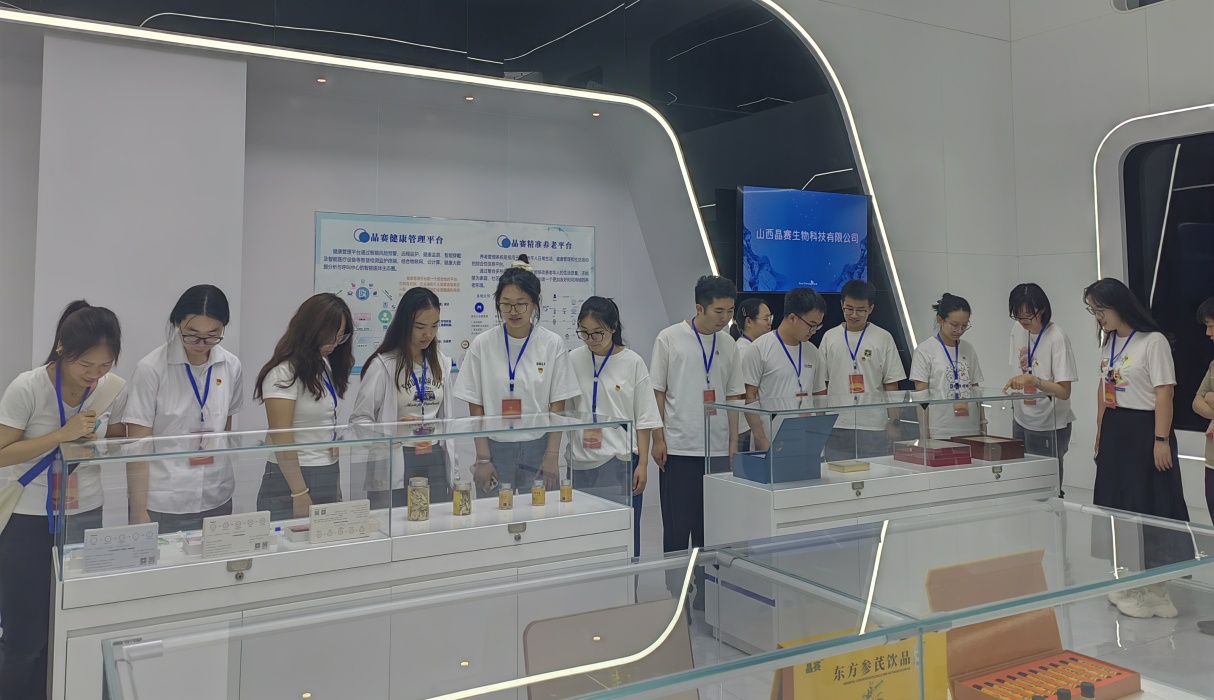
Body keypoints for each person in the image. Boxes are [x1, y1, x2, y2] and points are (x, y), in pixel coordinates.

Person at [0, 301, 123, 700]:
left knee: (70, 629)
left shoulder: (110, 388)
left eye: (104, 365)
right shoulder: (28, 387)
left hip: (84, 513)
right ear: (61, 349)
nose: (94, 374)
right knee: (25, 639)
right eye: (85, 364)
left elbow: (116, 438)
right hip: (29, 518)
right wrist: (61, 435)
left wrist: (95, 446)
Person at [1086, 278, 1189, 618]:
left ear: (1120, 305)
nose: (1098, 316)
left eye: (1101, 310)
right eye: (1093, 310)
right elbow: (1104, 387)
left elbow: (1165, 393)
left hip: (1145, 429)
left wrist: (1161, 440)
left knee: (1150, 503)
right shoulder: (1109, 341)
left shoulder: (1152, 341)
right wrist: (1100, 429)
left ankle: (1158, 589)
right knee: (1121, 504)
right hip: (1116, 429)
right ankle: (1135, 579)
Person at [117, 285, 244, 532]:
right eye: (192, 335)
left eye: (212, 335)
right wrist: (138, 511)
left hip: (216, 493)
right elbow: (137, 446)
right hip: (165, 500)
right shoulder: (151, 369)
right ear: (178, 324)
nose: (201, 343)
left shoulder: (231, 365)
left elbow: (225, 427)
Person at [650, 275, 744, 603]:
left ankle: (708, 596)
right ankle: (677, 597)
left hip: (716, 451)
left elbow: (734, 395)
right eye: (718, 311)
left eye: (730, 311)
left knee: (712, 530)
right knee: (678, 530)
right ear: (699, 307)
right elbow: (657, 393)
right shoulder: (669, 339)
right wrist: (658, 439)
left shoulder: (729, 344)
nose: (725, 318)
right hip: (679, 449)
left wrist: (733, 442)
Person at [454, 255, 580, 497]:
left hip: (538, 446)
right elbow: (476, 405)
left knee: (539, 513)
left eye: (521, 304)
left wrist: (552, 456)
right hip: (494, 447)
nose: (513, 311)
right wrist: (483, 458)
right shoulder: (482, 344)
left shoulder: (551, 343)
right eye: (506, 304)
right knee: (495, 513)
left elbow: (558, 405)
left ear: (534, 304)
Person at [566, 297, 662, 556]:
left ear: (613, 327)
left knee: (623, 535)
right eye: (584, 332)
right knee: (584, 536)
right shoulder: (573, 359)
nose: (591, 339)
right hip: (580, 462)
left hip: (619, 462)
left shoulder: (632, 362)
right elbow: (562, 410)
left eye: (598, 332)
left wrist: (643, 464)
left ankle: (628, 580)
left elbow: (644, 418)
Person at [350, 286, 455, 508]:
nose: (428, 334)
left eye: (434, 326)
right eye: (420, 327)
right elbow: (359, 420)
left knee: (436, 520)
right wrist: (391, 428)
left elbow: (447, 419)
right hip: (398, 455)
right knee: (397, 521)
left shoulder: (441, 363)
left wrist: (453, 471)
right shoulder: (383, 365)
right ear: (405, 324)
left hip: (433, 453)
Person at [253, 293, 354, 521]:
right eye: (329, 337)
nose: (333, 344)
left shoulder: (324, 366)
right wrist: (299, 492)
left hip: (326, 469)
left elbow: (327, 425)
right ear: (309, 331)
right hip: (293, 477)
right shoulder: (283, 373)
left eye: (340, 337)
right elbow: (282, 437)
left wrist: (336, 484)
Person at [1003, 283, 1077, 496]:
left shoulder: (1057, 337)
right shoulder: (1018, 329)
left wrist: (1034, 381)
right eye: (1018, 316)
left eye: (1028, 316)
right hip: (1021, 418)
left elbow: (1064, 392)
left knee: (1046, 488)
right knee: (1024, 483)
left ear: (1042, 309)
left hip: (1049, 423)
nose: (1023, 321)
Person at [820, 280, 906, 460]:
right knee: (836, 473)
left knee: (875, 472)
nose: (854, 315)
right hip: (837, 424)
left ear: (871, 309)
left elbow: (891, 384)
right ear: (841, 304)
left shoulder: (883, 337)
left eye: (860, 310)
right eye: (849, 309)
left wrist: (893, 421)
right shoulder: (830, 337)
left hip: (873, 425)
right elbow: (822, 384)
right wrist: (820, 420)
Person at [740, 287, 828, 450]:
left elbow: (819, 395)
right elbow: (749, 396)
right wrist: (760, 437)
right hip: (771, 440)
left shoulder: (813, 352)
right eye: (811, 325)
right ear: (792, 318)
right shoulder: (759, 348)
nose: (814, 331)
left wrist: (820, 433)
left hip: (807, 440)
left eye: (817, 326)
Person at [910, 293, 984, 438]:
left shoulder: (968, 349)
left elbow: (976, 390)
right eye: (954, 325)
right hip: (940, 429)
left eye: (964, 325)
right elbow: (921, 397)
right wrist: (925, 435)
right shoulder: (924, 350)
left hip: (970, 428)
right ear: (940, 319)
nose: (960, 331)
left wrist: (983, 425)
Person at [1192, 297, 1214, 521]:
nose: (1208, 333)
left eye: (1211, 326)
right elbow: (1197, 402)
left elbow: (1206, 397)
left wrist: (1211, 397)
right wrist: (1208, 397)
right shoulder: (1213, 365)